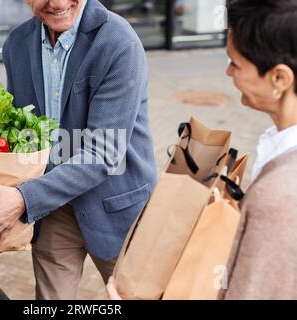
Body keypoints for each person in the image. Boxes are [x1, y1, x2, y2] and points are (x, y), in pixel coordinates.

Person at [0, 0, 157, 300]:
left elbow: (103, 153)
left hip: (118, 208)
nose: (58, 2)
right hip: (54, 207)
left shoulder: (119, 42)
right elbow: (23, 131)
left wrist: (22, 199)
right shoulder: (17, 44)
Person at [106, 0, 297, 300]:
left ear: (279, 79)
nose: (227, 72)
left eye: (235, 63)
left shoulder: (282, 191)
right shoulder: (278, 148)